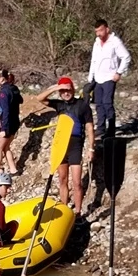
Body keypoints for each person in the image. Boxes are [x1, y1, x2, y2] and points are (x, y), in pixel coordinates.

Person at [35, 77, 93, 213]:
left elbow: (90, 127)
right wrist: (55, 87)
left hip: (75, 145)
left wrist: (91, 148)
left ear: (73, 89)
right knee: (62, 179)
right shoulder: (59, 104)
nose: (66, 93)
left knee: (77, 182)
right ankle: (64, 209)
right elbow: (39, 98)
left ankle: (78, 212)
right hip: (61, 144)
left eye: (68, 90)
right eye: (63, 91)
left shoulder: (82, 105)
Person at [85, 19, 130, 139]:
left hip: (109, 77)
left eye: (100, 30)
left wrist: (119, 72)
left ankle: (111, 129)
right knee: (98, 104)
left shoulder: (115, 42)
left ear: (107, 29)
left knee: (107, 103)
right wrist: (91, 76)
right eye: (96, 31)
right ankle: (100, 128)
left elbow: (126, 57)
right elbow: (93, 60)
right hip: (97, 78)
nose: (98, 34)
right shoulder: (96, 43)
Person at [0, 69, 24, 177]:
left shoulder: (3, 92)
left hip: (7, 124)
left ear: (1, 78)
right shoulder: (14, 88)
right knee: (6, 147)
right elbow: (20, 100)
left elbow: (6, 111)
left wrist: (4, 129)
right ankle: (14, 170)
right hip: (15, 122)